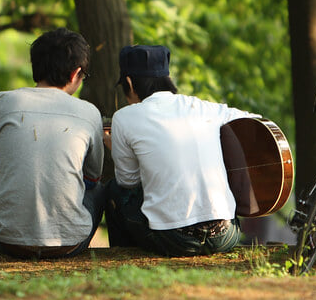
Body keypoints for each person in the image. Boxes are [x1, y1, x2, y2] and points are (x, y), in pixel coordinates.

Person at [0, 27, 106, 259]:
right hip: (70, 245)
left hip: (5, 242)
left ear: (35, 66)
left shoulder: (1, 102)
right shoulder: (90, 113)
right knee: (100, 191)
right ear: (75, 73)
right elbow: (91, 180)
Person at [105, 44, 255, 256]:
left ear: (129, 82)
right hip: (226, 235)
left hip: (174, 240)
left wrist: (117, 150)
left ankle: (123, 258)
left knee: (113, 191)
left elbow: (127, 182)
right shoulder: (202, 107)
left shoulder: (124, 117)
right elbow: (255, 121)